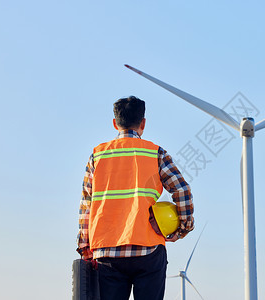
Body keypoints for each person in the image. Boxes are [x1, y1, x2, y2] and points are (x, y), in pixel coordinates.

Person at [77, 96, 194, 300]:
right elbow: (182, 191)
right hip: (148, 248)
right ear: (143, 123)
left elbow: (86, 206)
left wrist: (85, 247)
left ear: (115, 123)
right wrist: (182, 228)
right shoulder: (156, 153)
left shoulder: (97, 156)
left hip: (107, 251)